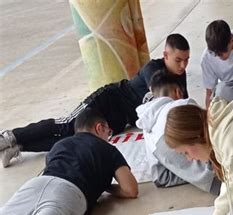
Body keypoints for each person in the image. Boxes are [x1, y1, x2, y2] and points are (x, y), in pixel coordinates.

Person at [0, 34, 190, 167]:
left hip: (118, 120)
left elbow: (182, 106)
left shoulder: (181, 77)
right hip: (107, 100)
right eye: (178, 60)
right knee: (66, 125)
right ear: (166, 55)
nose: (183, 65)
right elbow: (162, 99)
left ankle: (21, 146)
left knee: (75, 139)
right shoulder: (153, 69)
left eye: (186, 60)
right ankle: (11, 136)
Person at [0, 108, 138, 215]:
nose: (109, 135)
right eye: (109, 131)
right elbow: (131, 190)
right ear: (99, 128)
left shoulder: (59, 144)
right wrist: (105, 186)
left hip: (36, 184)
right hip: (70, 193)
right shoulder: (107, 149)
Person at [136, 70, 221, 194]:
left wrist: (190, 175)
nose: (190, 158)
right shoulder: (183, 105)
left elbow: (160, 178)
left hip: (212, 185)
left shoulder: (147, 130)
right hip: (220, 173)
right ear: (178, 92)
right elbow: (211, 135)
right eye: (185, 153)